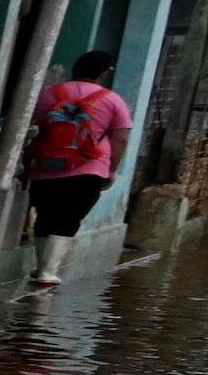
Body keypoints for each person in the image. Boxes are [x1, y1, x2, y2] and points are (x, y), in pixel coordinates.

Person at [18, 47, 133, 284]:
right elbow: (120, 138)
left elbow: (26, 127)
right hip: (90, 168)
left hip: (45, 166)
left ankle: (41, 268)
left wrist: (26, 163)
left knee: (44, 216)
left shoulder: (46, 95)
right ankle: (48, 271)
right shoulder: (112, 100)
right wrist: (111, 170)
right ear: (102, 74)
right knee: (70, 218)